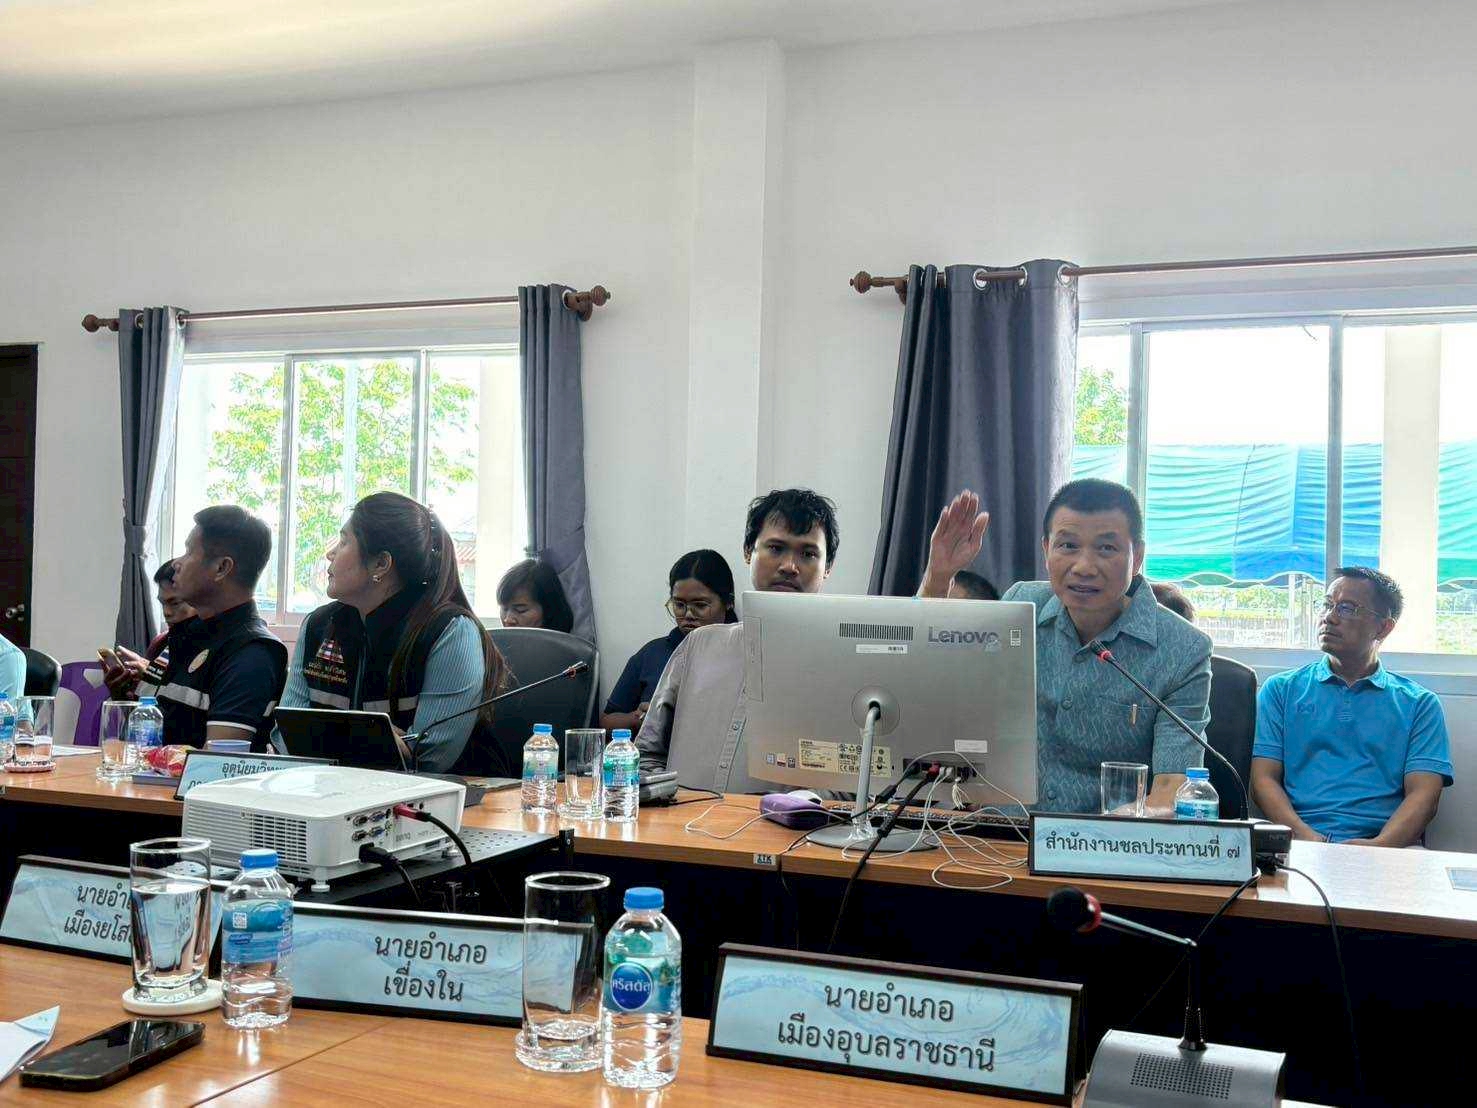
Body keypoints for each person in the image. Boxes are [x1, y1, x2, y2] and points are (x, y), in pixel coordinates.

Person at [919, 480, 1211, 814]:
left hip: (1103, 840)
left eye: (1106, 548)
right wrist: (938, 578)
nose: (1084, 567)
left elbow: (1172, 790)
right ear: (1046, 550)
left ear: (1138, 557)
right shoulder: (1021, 606)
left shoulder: (1183, 649)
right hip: (998, 832)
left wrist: (1097, 834)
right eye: (1068, 545)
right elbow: (940, 677)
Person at [280, 492, 510, 775]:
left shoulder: (449, 631)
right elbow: (286, 734)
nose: (330, 554)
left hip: (452, 796)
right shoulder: (318, 625)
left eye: (343, 542)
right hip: (336, 789)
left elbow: (427, 756)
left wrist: (337, 739)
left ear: (381, 564)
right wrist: (375, 738)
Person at [637, 489, 838, 793]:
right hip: (680, 822)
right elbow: (646, 755)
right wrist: (668, 805)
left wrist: (790, 809)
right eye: (776, 548)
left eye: (808, 554)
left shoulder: (842, 666)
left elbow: (857, 787)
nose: (789, 566)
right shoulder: (698, 646)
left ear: (827, 567)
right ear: (748, 551)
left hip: (780, 825)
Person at [1251, 567, 1452, 846]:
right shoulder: (1281, 690)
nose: (1329, 617)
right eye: (1327, 605)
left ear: (1383, 627)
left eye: (1346, 608)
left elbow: (1425, 796)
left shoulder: (1419, 704)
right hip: (1298, 842)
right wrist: (1304, 836)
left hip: (1388, 847)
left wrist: (1378, 847)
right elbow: (1263, 780)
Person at [161, 506, 288, 750]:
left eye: (189, 552)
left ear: (221, 568)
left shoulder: (252, 652)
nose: (177, 563)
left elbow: (218, 760)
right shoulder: (191, 634)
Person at [601, 549, 736, 734]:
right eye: (679, 605)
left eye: (700, 605)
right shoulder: (652, 654)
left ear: (728, 602)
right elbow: (606, 722)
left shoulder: (745, 655)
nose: (688, 614)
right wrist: (638, 718)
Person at [101, 559, 198, 700]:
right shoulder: (160, 644)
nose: (166, 612)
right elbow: (144, 708)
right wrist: (120, 695)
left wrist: (154, 677)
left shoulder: (213, 648)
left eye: (175, 603)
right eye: (162, 603)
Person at [497, 558, 575, 633]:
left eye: (520, 610)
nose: (508, 620)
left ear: (548, 612)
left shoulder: (567, 642)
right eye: (504, 609)